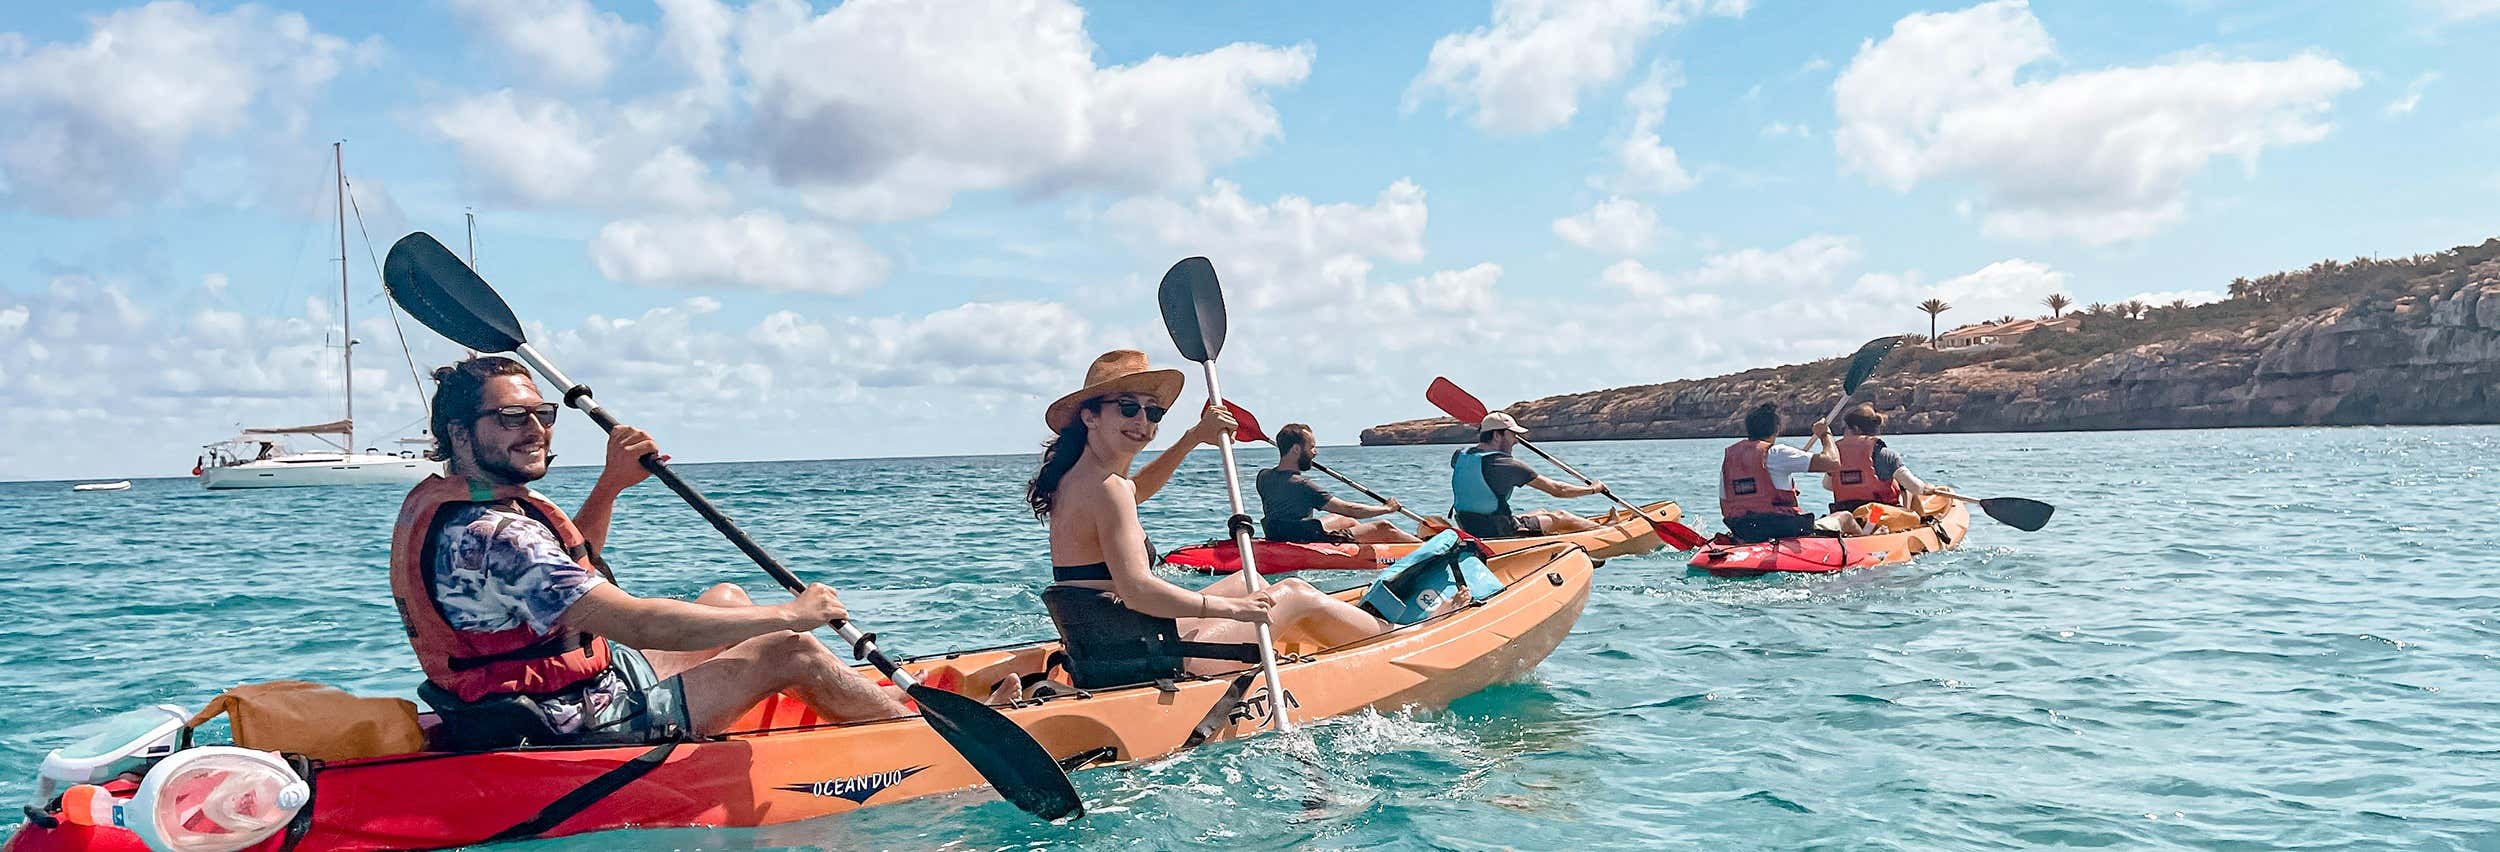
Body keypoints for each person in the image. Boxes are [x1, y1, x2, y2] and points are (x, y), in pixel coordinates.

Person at [389, 356, 909, 749]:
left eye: (541, 414)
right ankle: (910, 732)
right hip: (568, 722)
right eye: (510, 417)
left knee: (726, 600)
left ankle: (864, 701)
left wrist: (612, 484)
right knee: (787, 647)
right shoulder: (494, 533)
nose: (535, 430)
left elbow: (572, 563)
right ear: (459, 432)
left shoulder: (482, 501)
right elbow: (636, 625)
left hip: (564, 689)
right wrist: (792, 615)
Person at [1028, 350, 1389, 689]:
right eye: (1127, 408)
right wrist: (1235, 611)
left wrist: (1193, 438)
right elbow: (1138, 591)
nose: (1142, 421)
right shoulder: (1109, 490)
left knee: (1247, 580)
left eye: (1153, 413)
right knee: (1294, 592)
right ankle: (1391, 638)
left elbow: (1132, 493)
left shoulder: (1074, 481)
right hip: (1152, 661)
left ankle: (1332, 638)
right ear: (1090, 415)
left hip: (1112, 650)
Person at [1258, 423, 1421, 545]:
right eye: (1311, 447)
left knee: (1343, 519)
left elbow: (1345, 514)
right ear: (1295, 450)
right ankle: (1426, 547)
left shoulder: (1263, 476)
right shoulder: (1302, 485)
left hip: (1277, 534)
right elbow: (1349, 509)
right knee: (1385, 527)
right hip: (1305, 538)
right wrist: (1387, 509)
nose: (1315, 452)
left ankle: (1360, 542)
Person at [1448, 413, 1604, 539]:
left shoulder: (1459, 456)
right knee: (1562, 516)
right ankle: (1605, 531)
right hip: (1499, 533)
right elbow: (1558, 490)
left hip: (1469, 526)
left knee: (1541, 512)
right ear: (1497, 435)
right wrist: (1593, 489)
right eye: (1513, 435)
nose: (1516, 441)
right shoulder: (1508, 466)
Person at [1719, 403, 1841, 543]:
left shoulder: (1729, 459)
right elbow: (1833, 462)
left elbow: (1725, 502)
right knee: (1844, 517)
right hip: (1781, 528)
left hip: (1743, 529)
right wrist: (1825, 435)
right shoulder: (1777, 453)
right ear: (1777, 428)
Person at [1824, 403, 1928, 516]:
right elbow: (1916, 487)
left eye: (1845, 428)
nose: (1843, 432)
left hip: (1846, 515)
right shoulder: (1886, 455)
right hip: (1879, 515)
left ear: (1856, 429)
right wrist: (1928, 488)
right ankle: (1925, 524)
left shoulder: (1835, 454)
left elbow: (1828, 485)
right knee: (1909, 491)